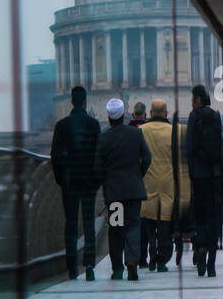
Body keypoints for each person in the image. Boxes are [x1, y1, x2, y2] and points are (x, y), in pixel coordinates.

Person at [95, 97, 151, 281]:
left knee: (116, 228)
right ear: (123, 115)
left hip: (115, 193)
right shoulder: (136, 134)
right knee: (134, 225)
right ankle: (132, 261)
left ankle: (117, 268)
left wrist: (106, 183)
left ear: (110, 118)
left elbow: (98, 167)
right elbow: (147, 158)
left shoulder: (103, 137)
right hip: (134, 191)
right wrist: (138, 175)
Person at [51, 85, 102, 281]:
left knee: (70, 224)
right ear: (86, 101)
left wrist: (61, 180)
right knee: (89, 223)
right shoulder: (94, 125)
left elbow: (55, 156)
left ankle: (72, 268)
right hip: (89, 182)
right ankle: (89, 265)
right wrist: (97, 180)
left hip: (70, 182)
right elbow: (99, 155)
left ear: (71, 101)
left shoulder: (62, 126)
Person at [139, 98, 187, 272]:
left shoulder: (141, 131)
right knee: (165, 223)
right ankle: (163, 259)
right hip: (169, 183)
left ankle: (151, 254)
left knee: (149, 222)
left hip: (148, 183)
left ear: (150, 114)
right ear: (166, 113)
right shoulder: (177, 131)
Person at [184, 84, 223, 277]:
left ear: (198, 99)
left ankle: (200, 249)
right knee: (213, 218)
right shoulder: (217, 116)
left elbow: (189, 148)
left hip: (199, 176)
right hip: (215, 175)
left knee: (199, 217)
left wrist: (191, 173)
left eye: (193, 100)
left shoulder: (194, 117)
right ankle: (212, 263)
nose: (192, 104)